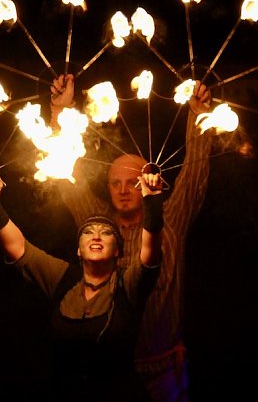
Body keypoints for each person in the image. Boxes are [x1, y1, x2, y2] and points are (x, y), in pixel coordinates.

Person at [49, 73, 214, 402]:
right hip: (109, 374)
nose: (124, 191)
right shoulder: (96, 224)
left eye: (132, 183)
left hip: (164, 371)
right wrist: (60, 113)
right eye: (116, 184)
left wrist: (198, 114)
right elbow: (66, 173)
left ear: (147, 183)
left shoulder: (170, 220)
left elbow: (195, 173)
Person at [0, 169, 166, 402]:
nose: (96, 236)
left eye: (106, 233)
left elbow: (150, 251)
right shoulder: (62, 277)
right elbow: (17, 247)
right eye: (88, 232)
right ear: (79, 250)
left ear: (117, 251)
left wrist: (152, 202)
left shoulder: (128, 283)